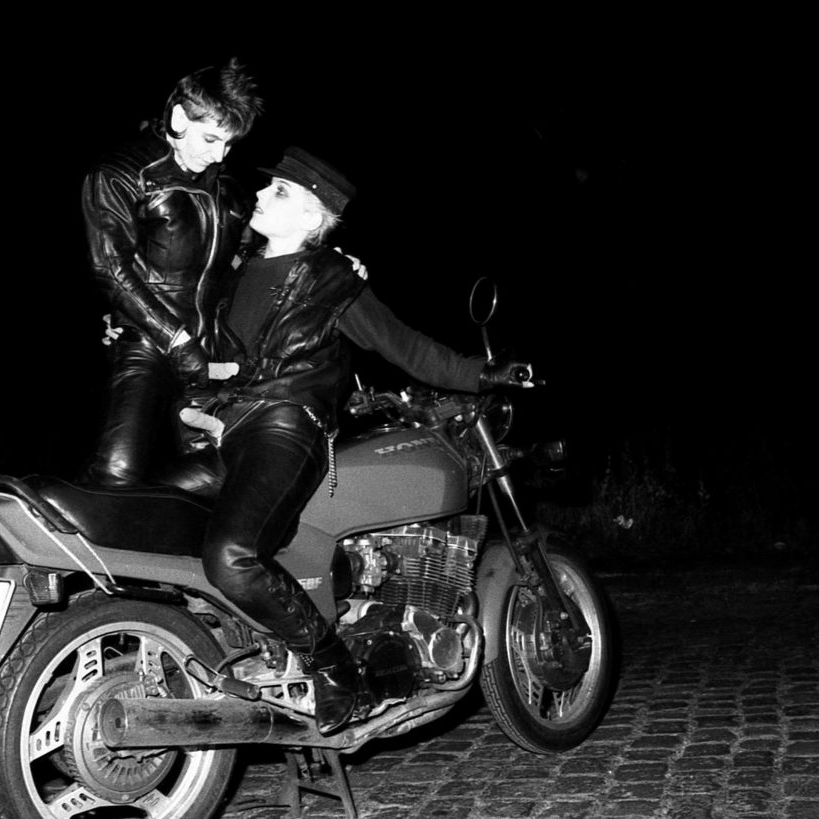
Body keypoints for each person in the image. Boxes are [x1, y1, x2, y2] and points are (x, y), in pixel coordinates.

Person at [164, 147, 528, 735]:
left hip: (284, 427)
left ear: (313, 217)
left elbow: (404, 347)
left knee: (231, 556)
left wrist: (483, 374)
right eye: (268, 187)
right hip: (219, 433)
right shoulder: (229, 275)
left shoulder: (334, 281)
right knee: (146, 516)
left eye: (280, 191)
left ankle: (336, 670)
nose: (261, 194)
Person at [78, 58, 264, 487]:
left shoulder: (226, 187)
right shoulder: (121, 173)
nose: (218, 155)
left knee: (219, 477)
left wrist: (326, 259)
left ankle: (159, 518)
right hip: (149, 344)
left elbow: (249, 257)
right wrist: (177, 340)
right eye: (210, 138)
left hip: (212, 354)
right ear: (179, 118)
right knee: (116, 475)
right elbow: (109, 267)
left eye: (229, 144)